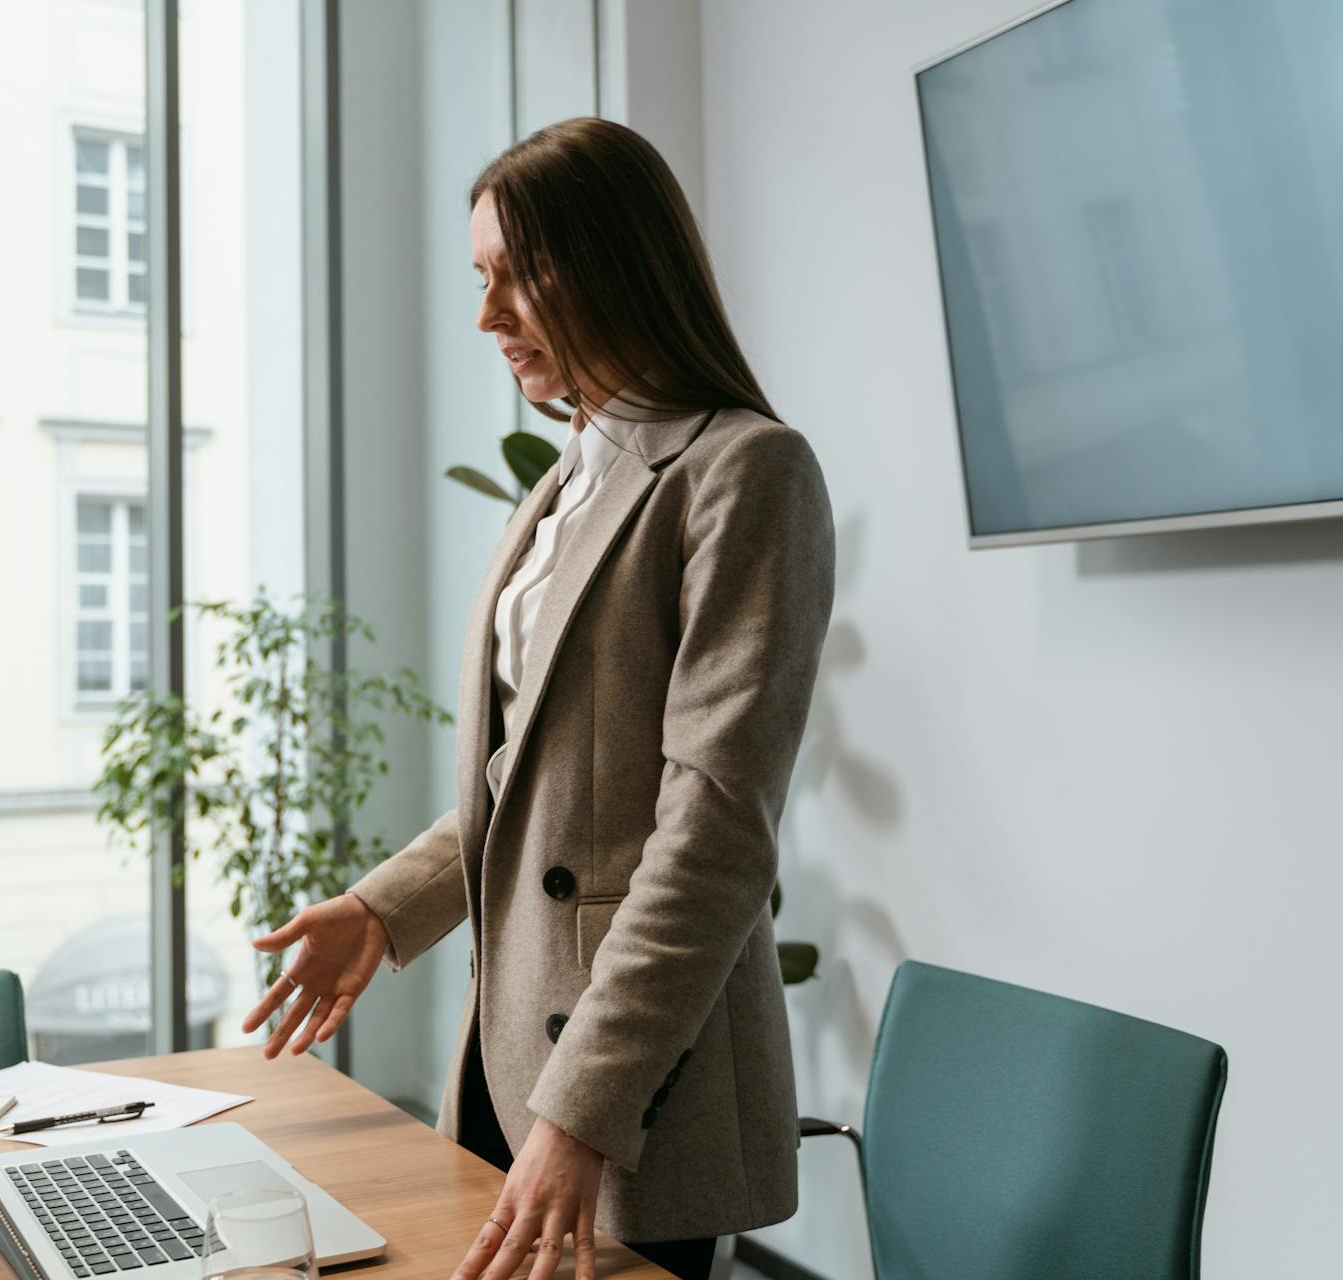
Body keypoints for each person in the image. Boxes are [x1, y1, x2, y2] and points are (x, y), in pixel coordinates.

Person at [238, 117, 835, 1280]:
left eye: (521, 275)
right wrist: (385, 906)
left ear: (616, 263)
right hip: (514, 1054)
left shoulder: (745, 471)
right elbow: (539, 782)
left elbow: (712, 832)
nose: (488, 316)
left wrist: (583, 1110)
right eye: (480, 279)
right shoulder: (568, 479)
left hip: (632, 1084)